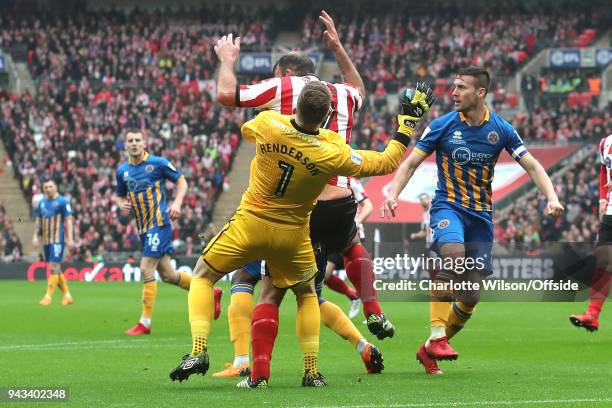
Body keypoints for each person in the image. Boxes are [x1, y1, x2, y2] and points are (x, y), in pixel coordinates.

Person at [169, 80, 435, 388]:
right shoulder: (333, 150)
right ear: (325, 118)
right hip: (293, 234)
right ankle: (311, 371)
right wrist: (407, 122)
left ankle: (199, 350)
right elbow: (388, 161)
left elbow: (248, 127)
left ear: (294, 107)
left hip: (251, 223)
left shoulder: (269, 123)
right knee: (308, 294)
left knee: (203, 276)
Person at [215, 11, 395, 343]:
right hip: (340, 200)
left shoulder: (282, 86)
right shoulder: (340, 94)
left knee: (273, 291)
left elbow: (227, 94)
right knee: (351, 245)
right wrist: (339, 48)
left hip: (293, 207)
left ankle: (258, 371)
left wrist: (227, 60)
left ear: (285, 72)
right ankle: (372, 310)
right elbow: (359, 89)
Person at [381, 66, 564, 375]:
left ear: (480, 92)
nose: (454, 92)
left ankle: (428, 349)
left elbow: (531, 165)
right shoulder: (442, 125)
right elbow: (411, 162)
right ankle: (438, 335)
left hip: (480, 216)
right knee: (453, 259)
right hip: (448, 207)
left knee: (471, 295)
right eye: (454, 86)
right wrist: (393, 193)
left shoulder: (502, 129)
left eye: (461, 87)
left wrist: (552, 196)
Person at [115, 129, 221, 335]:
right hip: (143, 228)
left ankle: (144, 322)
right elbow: (119, 195)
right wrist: (121, 204)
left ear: (145, 143)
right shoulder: (122, 171)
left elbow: (182, 181)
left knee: (146, 268)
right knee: (168, 275)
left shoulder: (158, 163)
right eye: (130, 141)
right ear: (125, 145)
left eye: (138, 140)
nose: (135, 143)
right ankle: (210, 291)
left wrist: (178, 202)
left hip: (160, 223)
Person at [569, 133, 612, 331]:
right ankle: (592, 314)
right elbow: (604, 168)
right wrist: (603, 197)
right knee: (603, 260)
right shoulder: (606, 142)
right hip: (611, 210)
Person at [324, 178, 373, 319]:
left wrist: (357, 222)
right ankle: (354, 296)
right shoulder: (322, 176)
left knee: (360, 276)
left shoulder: (350, 181)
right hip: (331, 236)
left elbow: (368, 205)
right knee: (323, 276)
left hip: (351, 237)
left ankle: (371, 312)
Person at [33, 178, 75, 306]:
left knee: (53, 267)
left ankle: (48, 297)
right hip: (46, 240)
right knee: (56, 269)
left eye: (50, 186)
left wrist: (71, 239)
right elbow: (38, 220)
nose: (48, 189)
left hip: (57, 239)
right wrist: (35, 236)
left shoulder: (63, 201)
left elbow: (68, 220)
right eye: (45, 187)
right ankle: (67, 296)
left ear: (55, 187)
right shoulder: (41, 203)